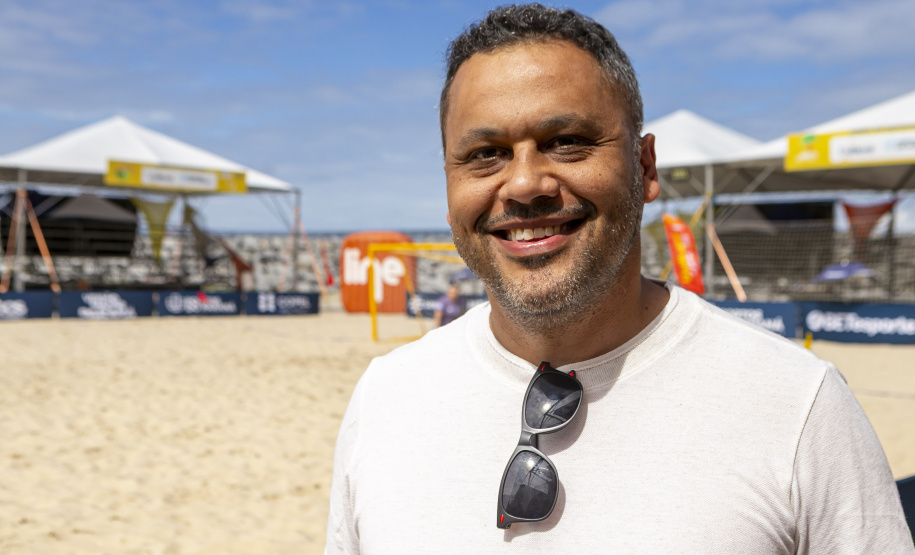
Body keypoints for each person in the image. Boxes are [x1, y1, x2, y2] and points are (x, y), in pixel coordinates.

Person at [325, 4, 914, 553]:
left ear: (645, 166)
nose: (525, 183)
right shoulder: (386, 398)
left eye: (567, 142)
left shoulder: (798, 406)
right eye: (485, 153)